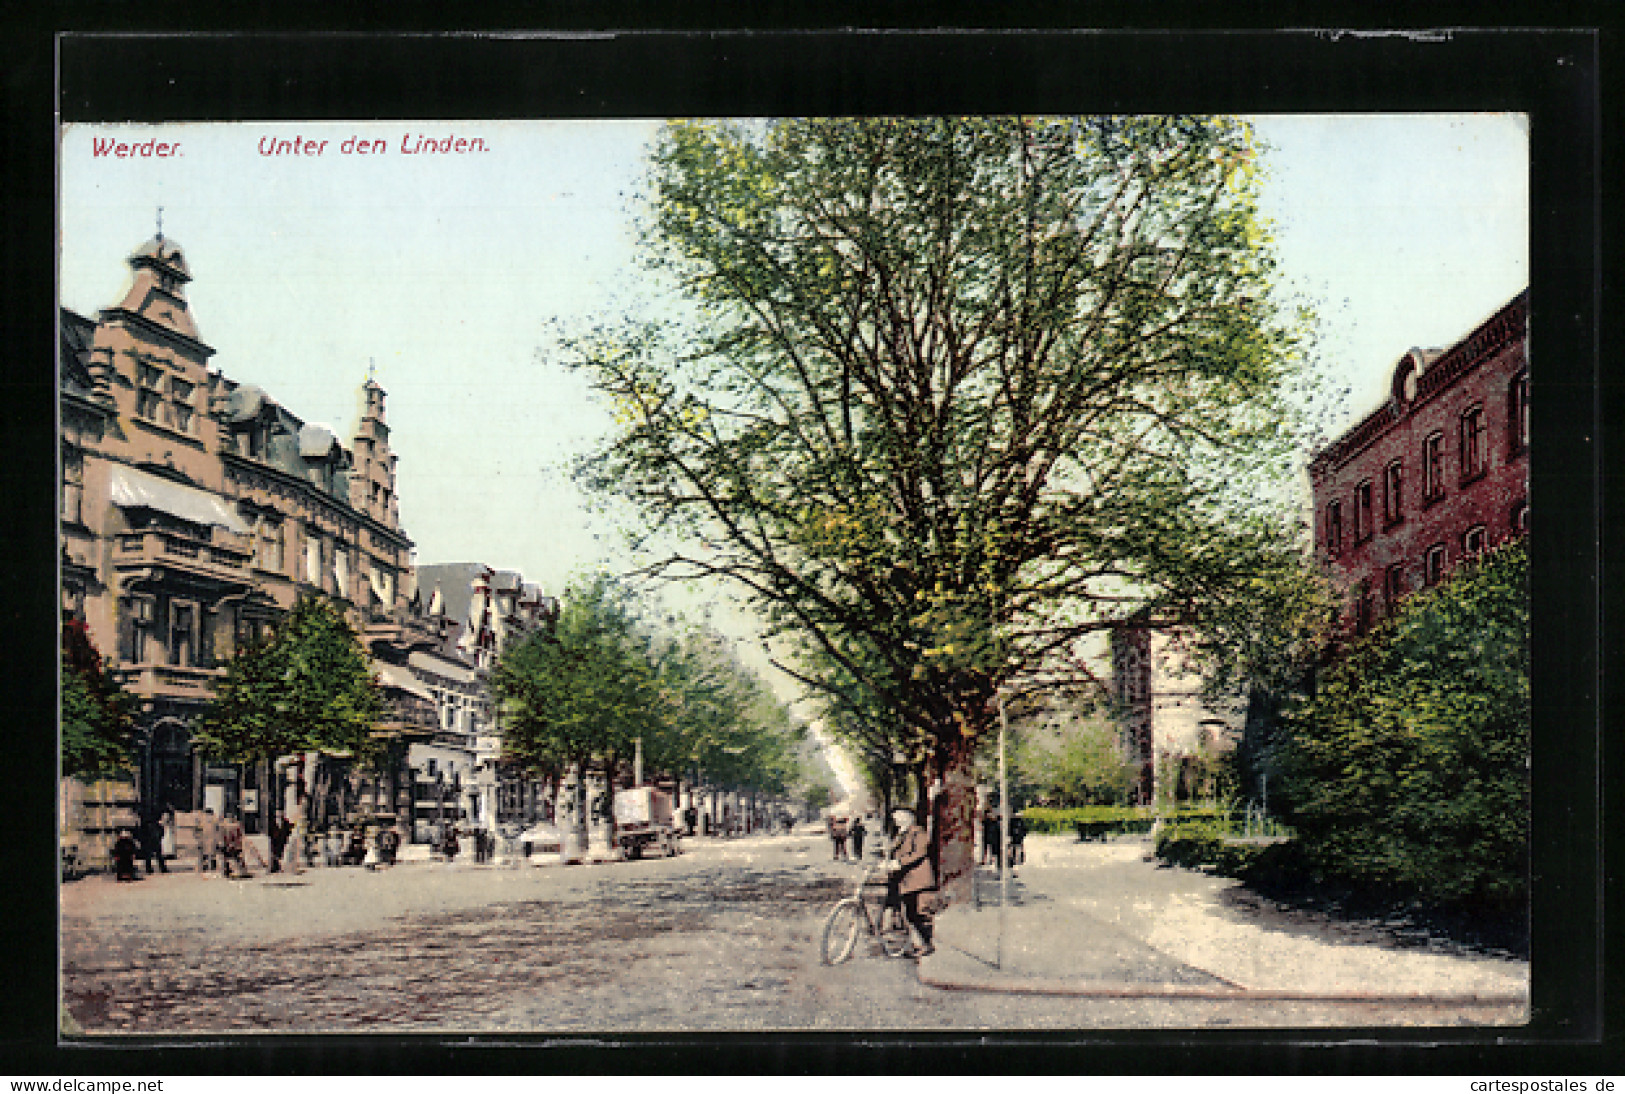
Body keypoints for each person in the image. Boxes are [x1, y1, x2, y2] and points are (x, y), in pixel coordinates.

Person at [884, 808, 935, 956]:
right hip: (906, 881)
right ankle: (918, 944)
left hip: (918, 879)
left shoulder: (918, 832)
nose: (896, 819)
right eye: (894, 816)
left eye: (899, 816)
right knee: (910, 913)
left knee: (920, 914)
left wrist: (900, 862)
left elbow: (920, 852)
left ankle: (927, 944)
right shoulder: (899, 835)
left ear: (909, 817)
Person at [196, 808, 218, 874]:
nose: (209, 816)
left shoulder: (214, 821)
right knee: (205, 854)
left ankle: (212, 866)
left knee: (212, 854)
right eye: (208, 814)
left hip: (211, 839)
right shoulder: (203, 821)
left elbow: (217, 831)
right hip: (205, 839)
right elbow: (198, 830)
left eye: (210, 814)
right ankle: (205, 866)